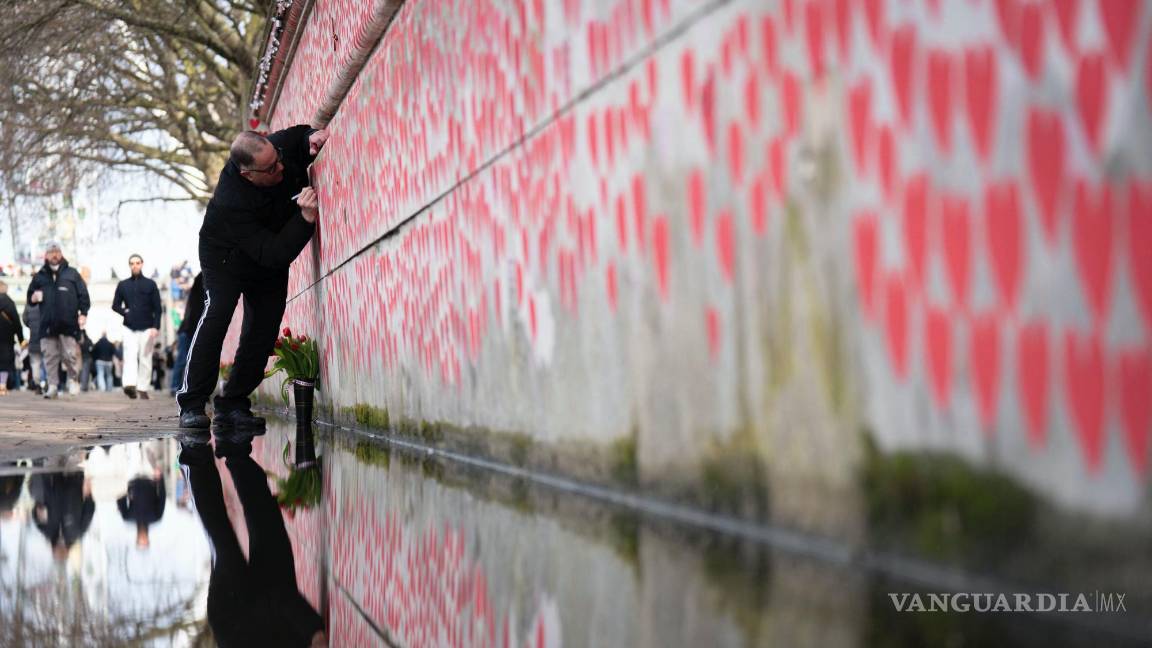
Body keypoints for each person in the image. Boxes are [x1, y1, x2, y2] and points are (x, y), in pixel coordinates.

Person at [176, 126, 327, 430]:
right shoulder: (232, 198)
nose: (281, 168)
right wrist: (304, 220)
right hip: (226, 257)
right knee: (218, 314)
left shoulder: (277, 151)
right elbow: (272, 253)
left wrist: (308, 138)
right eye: (271, 168)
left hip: (267, 247)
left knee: (264, 326)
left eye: (279, 158)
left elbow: (297, 136)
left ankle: (233, 404)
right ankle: (191, 404)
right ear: (247, 174)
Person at [180, 433, 326, 647]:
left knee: (224, 544)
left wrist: (314, 631)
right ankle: (233, 445)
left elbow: (280, 598)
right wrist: (315, 633)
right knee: (265, 517)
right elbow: (283, 597)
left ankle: (194, 448)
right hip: (274, 611)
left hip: (232, 610)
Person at [26, 241, 90, 398]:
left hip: (68, 323)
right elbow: (30, 296)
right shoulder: (40, 276)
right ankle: (53, 386)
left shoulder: (72, 274)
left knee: (70, 355)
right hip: (47, 323)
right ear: (46, 255)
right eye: (51, 252)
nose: (54, 255)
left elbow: (83, 295)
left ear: (61, 254)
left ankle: (73, 380)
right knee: (50, 357)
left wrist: (83, 313)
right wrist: (33, 298)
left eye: (57, 251)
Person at [112, 254, 162, 400]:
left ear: (142, 264)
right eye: (132, 263)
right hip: (129, 327)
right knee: (129, 356)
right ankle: (129, 386)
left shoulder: (151, 284)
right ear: (129, 265)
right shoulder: (123, 285)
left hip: (147, 327)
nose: (135, 265)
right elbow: (115, 305)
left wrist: (156, 327)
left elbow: (158, 308)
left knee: (145, 358)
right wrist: (124, 312)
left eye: (137, 263)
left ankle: (143, 388)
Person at [171, 272, 204, 396]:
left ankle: (178, 386)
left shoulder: (196, 296)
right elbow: (193, 315)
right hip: (187, 331)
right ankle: (175, 386)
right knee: (183, 360)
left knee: (185, 360)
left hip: (189, 330)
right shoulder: (197, 296)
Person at [0, 280, 23, 394]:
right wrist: (21, 339)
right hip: (7, 339)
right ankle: (2, 385)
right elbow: (17, 323)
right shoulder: (9, 303)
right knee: (5, 363)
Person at [21, 301, 44, 393]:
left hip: (33, 338)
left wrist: (31, 325)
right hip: (46, 336)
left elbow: (25, 319)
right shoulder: (47, 299)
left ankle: (37, 384)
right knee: (48, 362)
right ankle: (47, 383)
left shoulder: (29, 304)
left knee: (35, 363)